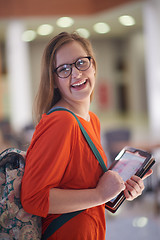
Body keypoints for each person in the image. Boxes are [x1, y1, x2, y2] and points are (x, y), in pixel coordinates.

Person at [21, 32, 152, 240]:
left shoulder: (91, 119)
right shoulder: (62, 122)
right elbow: (33, 198)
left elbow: (82, 184)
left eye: (81, 63)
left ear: (93, 66)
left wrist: (118, 187)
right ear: (54, 81)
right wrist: (99, 194)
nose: (76, 74)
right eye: (64, 69)